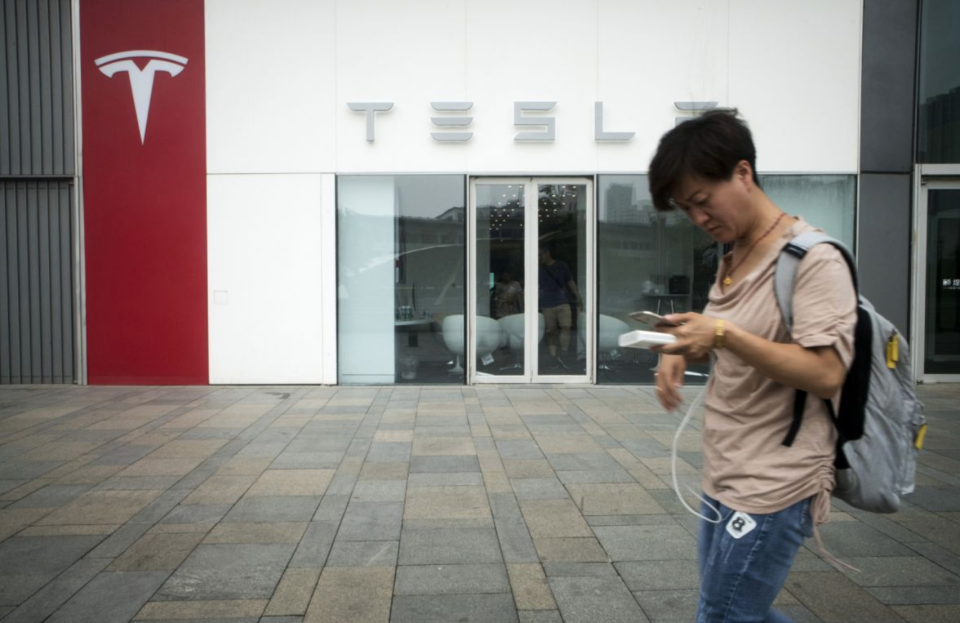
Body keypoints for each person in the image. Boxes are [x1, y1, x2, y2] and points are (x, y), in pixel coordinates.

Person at [647, 109, 857, 623]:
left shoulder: (814, 260)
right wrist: (683, 349)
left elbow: (828, 373)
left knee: (722, 615)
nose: (699, 218)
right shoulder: (733, 255)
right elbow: (735, 347)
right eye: (686, 209)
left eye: (702, 201)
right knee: (739, 613)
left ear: (743, 173)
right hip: (725, 469)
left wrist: (721, 332)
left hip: (775, 480)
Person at [538, 245, 583, 369]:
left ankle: (564, 353)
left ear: (547, 252)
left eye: (540, 254)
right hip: (547, 303)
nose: (539, 257)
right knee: (550, 331)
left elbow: (570, 281)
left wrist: (578, 296)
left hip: (563, 301)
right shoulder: (539, 268)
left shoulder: (561, 265)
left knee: (566, 327)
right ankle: (553, 358)